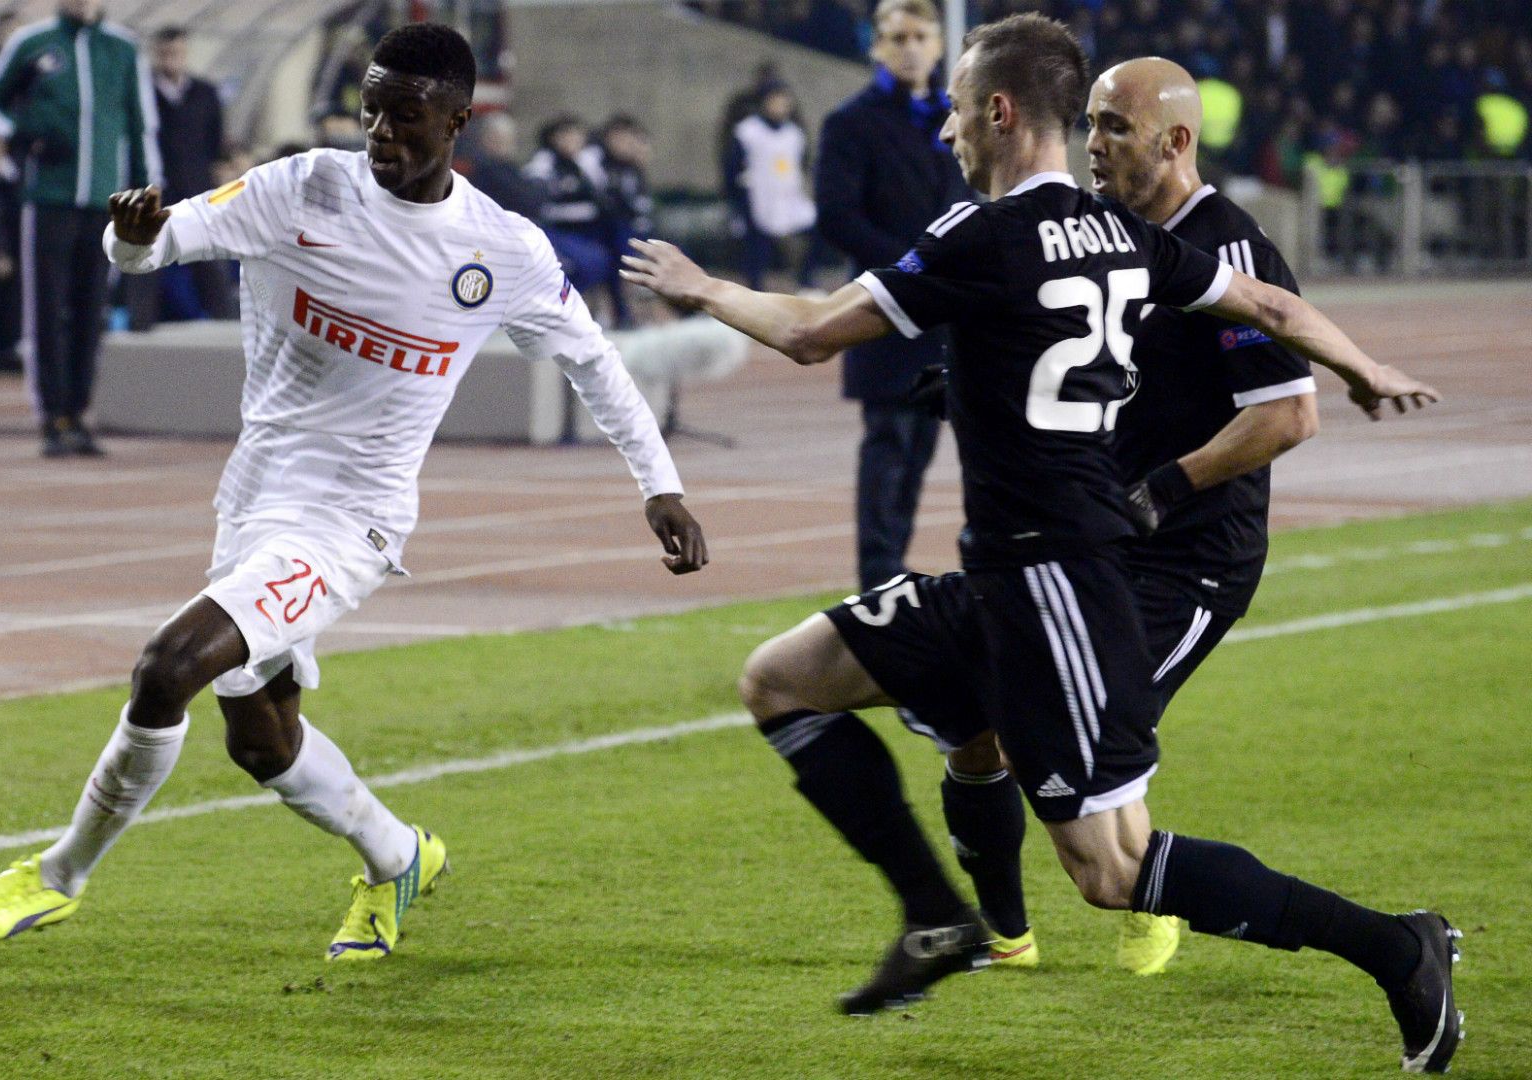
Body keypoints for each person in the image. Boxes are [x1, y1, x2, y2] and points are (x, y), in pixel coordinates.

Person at [624, 15, 1460, 1072]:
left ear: (1001, 112)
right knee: (780, 680)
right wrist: (1361, 366)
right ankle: (940, 916)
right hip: (1008, 576)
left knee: (1114, 870)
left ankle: (1396, 948)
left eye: (962, 113)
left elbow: (805, 330)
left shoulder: (983, 234)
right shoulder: (1125, 237)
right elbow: (1265, 302)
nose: (949, 135)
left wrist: (702, 289)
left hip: (1068, 583)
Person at [0, 24, 709, 967]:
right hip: (255, 500)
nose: (380, 130)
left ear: (460, 121)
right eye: (372, 108)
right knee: (261, 741)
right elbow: (152, 247)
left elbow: (596, 365)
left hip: (354, 523)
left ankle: (55, 880)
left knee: (165, 667)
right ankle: (397, 858)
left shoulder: (501, 249)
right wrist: (129, 234)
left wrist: (658, 484)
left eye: (407, 115)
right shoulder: (300, 188)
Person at [908, 57, 1333, 980]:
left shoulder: (1227, 247)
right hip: (1091, 542)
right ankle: (1007, 936)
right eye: (1090, 125)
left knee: (1055, 745)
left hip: (1189, 560)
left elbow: (1286, 413)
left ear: (1177, 142)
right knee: (979, 717)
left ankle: (1150, 891)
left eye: (1114, 129)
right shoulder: (1100, 236)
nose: (1092, 146)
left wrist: (1167, 488)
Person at [815, 0, 969, 588]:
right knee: (889, 441)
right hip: (882, 308)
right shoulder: (850, 122)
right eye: (896, 36)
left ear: (937, 44)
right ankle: (877, 575)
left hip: (941, 313)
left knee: (922, 445)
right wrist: (908, 266)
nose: (909, 47)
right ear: (877, 45)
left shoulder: (954, 118)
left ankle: (893, 569)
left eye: (919, 35)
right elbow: (835, 216)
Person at [0, 0, 161, 458]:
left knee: (91, 306)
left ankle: (78, 410)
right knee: (48, 308)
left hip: (104, 202)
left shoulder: (123, 49)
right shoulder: (33, 43)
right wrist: (18, 133)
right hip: (48, 199)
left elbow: (140, 126)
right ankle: (53, 414)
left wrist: (145, 197)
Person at [123, 26, 232, 329]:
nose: (171, 60)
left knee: (208, 262)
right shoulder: (142, 94)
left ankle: (226, 324)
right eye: (165, 54)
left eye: (177, 53)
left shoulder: (205, 94)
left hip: (195, 191)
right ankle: (140, 326)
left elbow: (214, 144)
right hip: (152, 192)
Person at [728, 81, 817, 288]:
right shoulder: (747, 131)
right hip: (759, 199)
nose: (781, 106)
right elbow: (733, 170)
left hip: (789, 198)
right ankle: (755, 290)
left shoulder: (794, 133)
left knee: (819, 229)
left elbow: (801, 163)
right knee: (757, 250)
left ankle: (805, 278)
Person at [526, 117, 617, 304]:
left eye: (576, 135)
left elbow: (603, 196)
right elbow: (539, 200)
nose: (571, 141)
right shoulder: (544, 165)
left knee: (612, 257)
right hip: (558, 230)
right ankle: (563, 301)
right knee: (590, 262)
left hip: (591, 229)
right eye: (565, 135)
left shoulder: (587, 164)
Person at [581, 115, 654, 328]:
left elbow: (637, 207)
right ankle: (620, 311)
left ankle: (630, 313)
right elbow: (605, 202)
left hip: (623, 229)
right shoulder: (594, 160)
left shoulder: (630, 169)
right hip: (597, 229)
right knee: (621, 253)